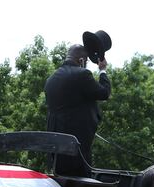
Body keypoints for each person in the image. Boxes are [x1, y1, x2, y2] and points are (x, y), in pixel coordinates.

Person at [44, 44, 111, 177]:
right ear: (81, 60)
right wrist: (102, 70)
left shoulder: (50, 80)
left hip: (56, 149)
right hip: (76, 147)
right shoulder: (82, 74)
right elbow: (104, 93)